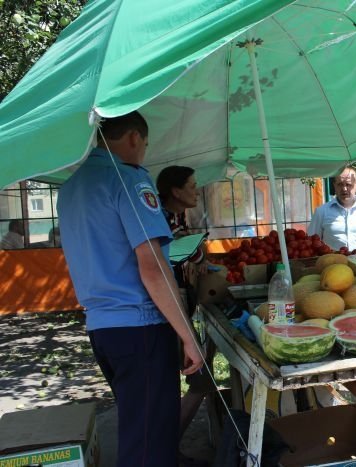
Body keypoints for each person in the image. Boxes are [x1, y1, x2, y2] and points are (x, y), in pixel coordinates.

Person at [57, 112, 203, 467]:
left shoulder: (70, 187)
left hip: (102, 329)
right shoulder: (129, 179)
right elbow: (152, 267)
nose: (144, 152)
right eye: (146, 145)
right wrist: (188, 336)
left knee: (141, 429)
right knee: (149, 446)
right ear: (134, 138)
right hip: (140, 328)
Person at [156, 165, 215, 450]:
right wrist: (199, 255)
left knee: (199, 380)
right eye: (191, 186)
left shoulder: (176, 217)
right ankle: (167, 450)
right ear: (176, 191)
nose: (196, 191)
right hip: (171, 310)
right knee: (199, 379)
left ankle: (169, 448)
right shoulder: (162, 220)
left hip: (178, 306)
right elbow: (183, 249)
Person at [308, 166, 356, 252]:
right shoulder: (321, 211)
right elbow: (312, 242)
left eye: (348, 185)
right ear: (334, 186)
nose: (344, 189)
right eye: (340, 184)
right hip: (334, 260)